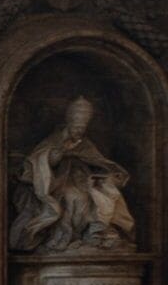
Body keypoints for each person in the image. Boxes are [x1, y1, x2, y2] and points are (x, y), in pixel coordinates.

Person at [10, 94, 140, 255]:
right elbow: (37, 161)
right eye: (77, 128)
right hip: (57, 183)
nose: (79, 132)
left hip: (84, 179)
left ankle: (99, 233)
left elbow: (98, 161)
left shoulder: (85, 143)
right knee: (74, 196)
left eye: (82, 128)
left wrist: (109, 173)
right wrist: (58, 155)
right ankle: (64, 237)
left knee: (109, 194)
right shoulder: (54, 140)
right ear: (69, 124)